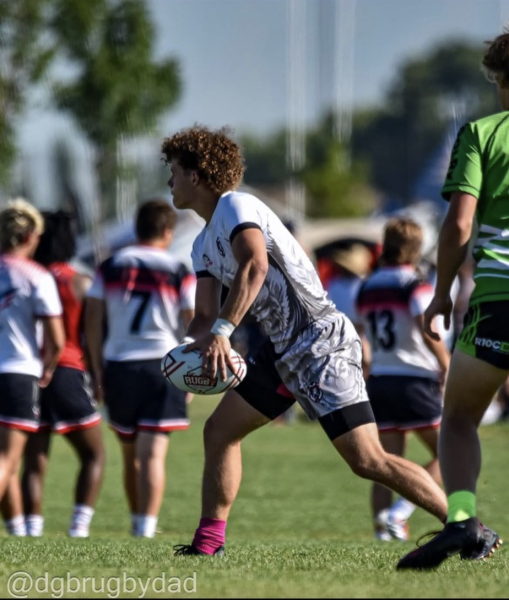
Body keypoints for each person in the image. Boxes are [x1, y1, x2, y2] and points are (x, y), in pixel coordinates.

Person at [161, 125, 454, 558]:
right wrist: (187, 356)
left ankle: (468, 527)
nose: (169, 181)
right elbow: (204, 316)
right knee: (220, 431)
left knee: (367, 460)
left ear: (197, 175)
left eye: (174, 171)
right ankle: (208, 544)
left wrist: (222, 333)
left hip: (319, 341)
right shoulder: (203, 244)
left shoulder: (236, 205)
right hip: (280, 351)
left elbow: (255, 265)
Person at [397, 30, 509, 569]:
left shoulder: (482, 134)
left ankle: (462, 520)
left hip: (498, 300)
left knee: (460, 417)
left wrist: (441, 293)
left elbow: (459, 223)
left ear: (498, 79)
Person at [85, 199, 196, 538]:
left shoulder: (110, 266)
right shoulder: (178, 269)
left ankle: (138, 523)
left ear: (137, 228)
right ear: (168, 231)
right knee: (153, 455)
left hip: (119, 364)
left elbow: (92, 318)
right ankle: (145, 529)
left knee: (131, 452)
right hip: (164, 364)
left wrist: (97, 368)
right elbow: (191, 320)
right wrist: (190, 371)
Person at [356, 218, 450, 542]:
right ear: (415, 248)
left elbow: (361, 334)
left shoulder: (367, 286)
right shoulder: (414, 284)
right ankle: (399, 514)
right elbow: (426, 326)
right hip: (415, 380)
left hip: (380, 380)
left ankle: (383, 528)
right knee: (451, 452)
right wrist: (446, 363)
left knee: (386, 464)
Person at [20, 211, 105, 538]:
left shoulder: (26, 276)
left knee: (35, 459)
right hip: (69, 372)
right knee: (94, 454)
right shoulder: (79, 281)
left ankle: (30, 529)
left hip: (31, 374)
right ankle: (79, 527)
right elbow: (91, 334)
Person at [0, 199, 64, 530]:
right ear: (28, 236)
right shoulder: (37, 276)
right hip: (18, 371)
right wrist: (49, 367)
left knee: (5, 461)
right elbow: (56, 338)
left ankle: (17, 533)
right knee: (8, 458)